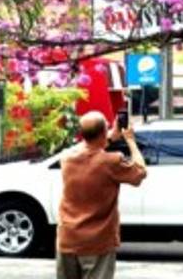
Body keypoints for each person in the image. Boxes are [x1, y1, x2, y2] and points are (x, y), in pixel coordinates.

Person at [56, 111, 148, 279]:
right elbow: (140, 173)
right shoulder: (111, 161)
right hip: (97, 241)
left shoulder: (67, 157)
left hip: (68, 239)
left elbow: (88, 148)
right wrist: (130, 140)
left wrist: (110, 137)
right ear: (103, 133)